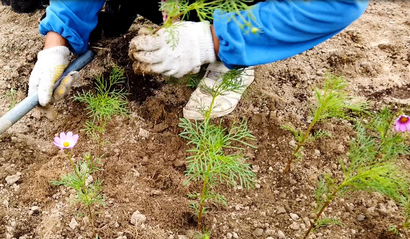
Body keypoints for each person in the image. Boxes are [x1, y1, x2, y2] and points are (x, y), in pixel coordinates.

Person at [27, 0, 369, 120]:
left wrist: (213, 40)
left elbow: (337, 3)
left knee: (228, 33)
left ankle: (235, 56)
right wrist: (56, 42)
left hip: (243, 6)